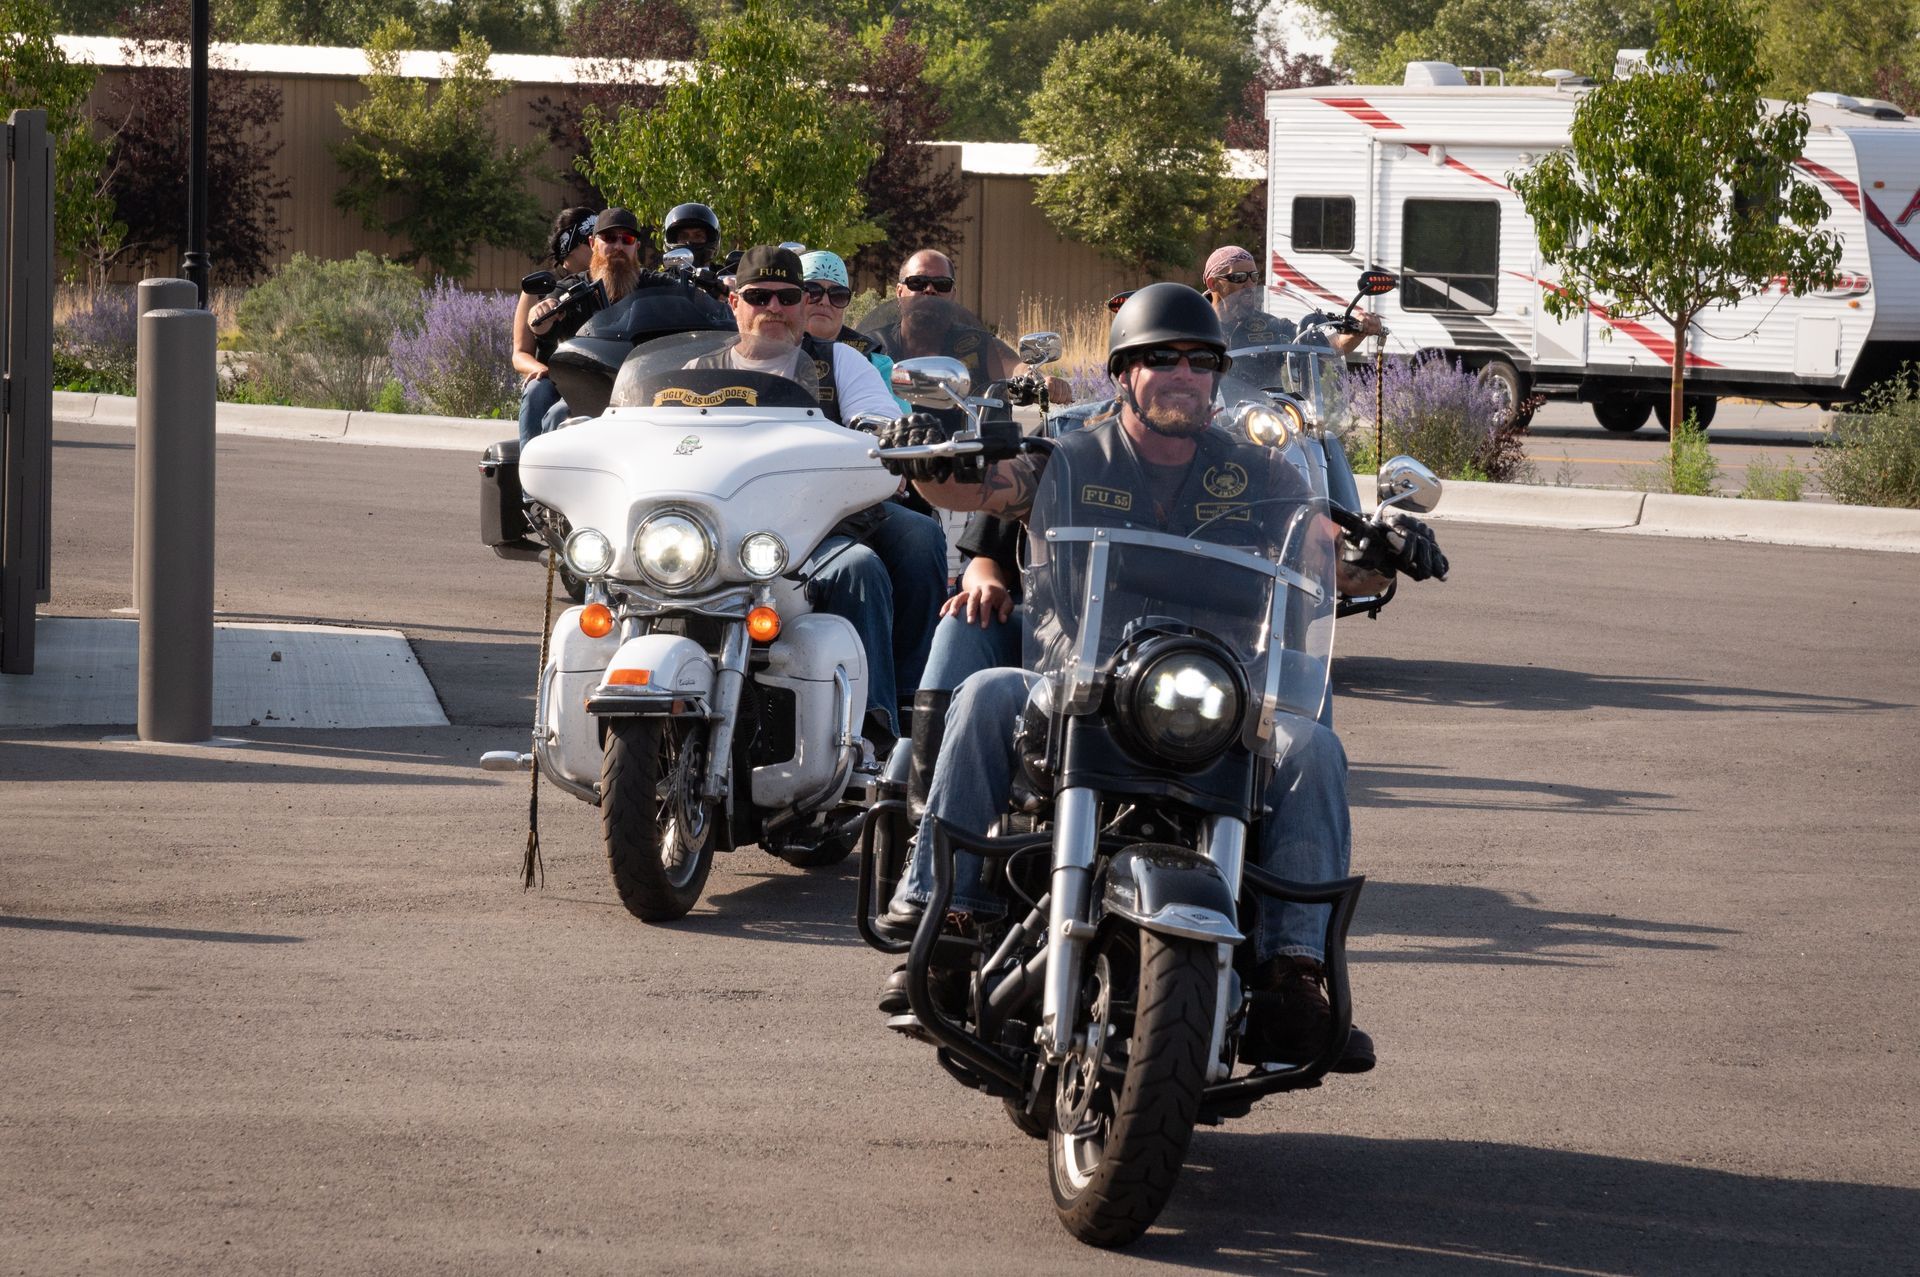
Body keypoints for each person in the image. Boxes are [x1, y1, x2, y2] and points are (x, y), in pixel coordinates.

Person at [870, 284, 1446, 1063]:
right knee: (985, 691)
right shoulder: (1070, 456)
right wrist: (934, 452)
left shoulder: (1266, 475)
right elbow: (978, 487)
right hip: (1080, 684)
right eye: (1160, 359)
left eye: (1200, 361)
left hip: (1217, 695)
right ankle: (943, 915)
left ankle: (1294, 969)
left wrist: (1386, 549)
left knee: (1314, 748)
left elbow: (1331, 566)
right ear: (1124, 373)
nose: (1182, 373)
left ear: (1216, 376)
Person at [714, 247, 946, 742]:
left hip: (825, 514)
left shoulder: (838, 359)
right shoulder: (699, 370)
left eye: (788, 296)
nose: (774, 307)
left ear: (801, 305)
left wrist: (887, 433)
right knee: (858, 567)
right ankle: (866, 725)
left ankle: (895, 717)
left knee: (919, 538)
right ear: (734, 302)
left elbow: (876, 412)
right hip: (732, 524)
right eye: (759, 296)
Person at [523, 207, 649, 438]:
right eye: (610, 238)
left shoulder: (652, 285)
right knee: (555, 412)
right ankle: (533, 471)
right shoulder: (573, 287)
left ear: (636, 247)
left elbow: (688, 293)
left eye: (627, 239)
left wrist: (719, 293)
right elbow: (543, 316)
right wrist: (541, 314)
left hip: (641, 387)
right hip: (585, 386)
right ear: (593, 243)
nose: (618, 246)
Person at [512, 206, 595, 446]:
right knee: (537, 389)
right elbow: (520, 354)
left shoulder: (608, 281)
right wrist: (543, 370)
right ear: (570, 246)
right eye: (590, 240)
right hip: (553, 379)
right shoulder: (539, 287)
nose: (598, 246)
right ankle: (529, 472)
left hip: (597, 377)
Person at [1205, 245, 1381, 355]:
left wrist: (1357, 331)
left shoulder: (1271, 326)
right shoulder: (1195, 326)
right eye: (1239, 277)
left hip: (1265, 411)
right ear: (1213, 284)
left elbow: (1328, 347)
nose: (1249, 285)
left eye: (1254, 276)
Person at [663, 202, 721, 267]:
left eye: (698, 236)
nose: (690, 241)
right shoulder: (659, 277)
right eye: (683, 236)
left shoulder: (725, 275)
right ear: (674, 240)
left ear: (709, 238)